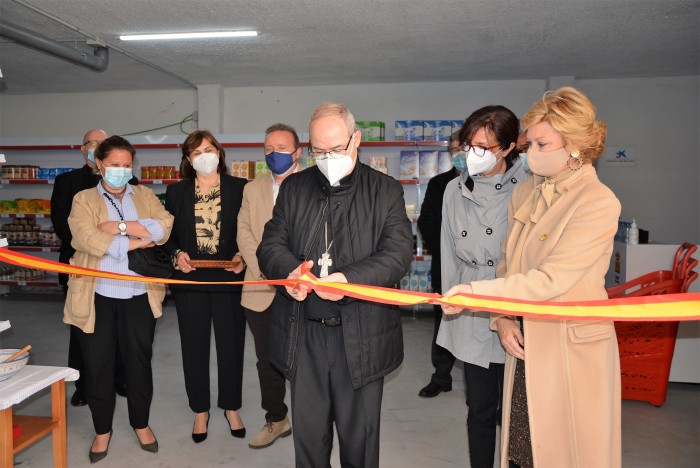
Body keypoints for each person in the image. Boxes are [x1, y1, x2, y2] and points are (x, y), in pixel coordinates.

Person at [442, 87, 622, 468]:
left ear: (573, 146)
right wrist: (501, 316)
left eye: (541, 144)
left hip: (570, 347)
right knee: (521, 446)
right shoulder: (528, 193)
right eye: (529, 143)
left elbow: (552, 278)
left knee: (569, 449)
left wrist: (477, 291)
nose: (530, 153)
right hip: (525, 341)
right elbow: (510, 265)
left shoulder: (597, 202)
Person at [257, 103, 413, 467]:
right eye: (318, 151)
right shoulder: (294, 188)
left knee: (359, 439)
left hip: (361, 332)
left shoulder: (385, 190)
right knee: (309, 439)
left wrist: (350, 280)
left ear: (356, 139)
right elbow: (271, 244)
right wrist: (289, 273)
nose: (327, 158)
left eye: (337, 149)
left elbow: (397, 255)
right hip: (304, 330)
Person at [64, 135, 173, 463]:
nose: (121, 171)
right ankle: (102, 430)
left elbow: (164, 227)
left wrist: (119, 226)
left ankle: (141, 423)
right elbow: (85, 238)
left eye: (127, 165)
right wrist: (138, 238)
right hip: (97, 296)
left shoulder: (144, 193)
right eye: (114, 165)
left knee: (139, 363)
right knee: (98, 367)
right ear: (99, 164)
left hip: (139, 294)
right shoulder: (83, 199)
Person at [437, 106, 529, 468]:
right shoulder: (452, 190)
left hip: (517, 308)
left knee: (516, 411)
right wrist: (451, 300)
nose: (470, 154)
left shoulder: (530, 188)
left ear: (507, 148)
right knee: (478, 407)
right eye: (467, 145)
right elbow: (448, 252)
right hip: (473, 309)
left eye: (483, 147)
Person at [163, 130, 248, 444]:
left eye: (209, 149)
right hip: (190, 280)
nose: (204, 156)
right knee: (194, 346)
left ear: (220, 153)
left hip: (228, 277)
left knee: (231, 344)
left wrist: (242, 255)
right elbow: (167, 234)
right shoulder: (177, 192)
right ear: (188, 159)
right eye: (196, 152)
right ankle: (200, 410)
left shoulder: (240, 188)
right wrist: (176, 253)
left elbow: (250, 229)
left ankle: (231, 407)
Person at [50, 129, 131, 407]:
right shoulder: (66, 182)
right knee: (82, 328)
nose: (95, 147)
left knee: (121, 328)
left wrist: (111, 243)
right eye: (90, 143)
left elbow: (133, 226)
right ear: (83, 149)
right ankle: (83, 384)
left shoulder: (130, 182)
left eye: (101, 144)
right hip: (80, 267)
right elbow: (63, 225)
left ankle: (120, 378)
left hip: (120, 267)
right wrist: (95, 244)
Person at [236, 123, 300, 449]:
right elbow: (244, 232)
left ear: (298, 151)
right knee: (268, 359)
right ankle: (276, 419)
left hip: (302, 286)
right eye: (269, 148)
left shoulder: (313, 185)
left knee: (306, 357)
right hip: (260, 286)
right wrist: (267, 269)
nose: (274, 153)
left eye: (282, 147)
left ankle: (311, 419)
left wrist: (293, 273)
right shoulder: (252, 188)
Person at [417, 131, 461, 398]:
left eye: (464, 148)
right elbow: (426, 222)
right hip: (446, 265)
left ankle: (488, 384)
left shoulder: (489, 182)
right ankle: (441, 376)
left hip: (484, 270)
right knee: (443, 321)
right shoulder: (438, 184)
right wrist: (448, 250)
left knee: (484, 324)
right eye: (454, 149)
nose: (460, 154)